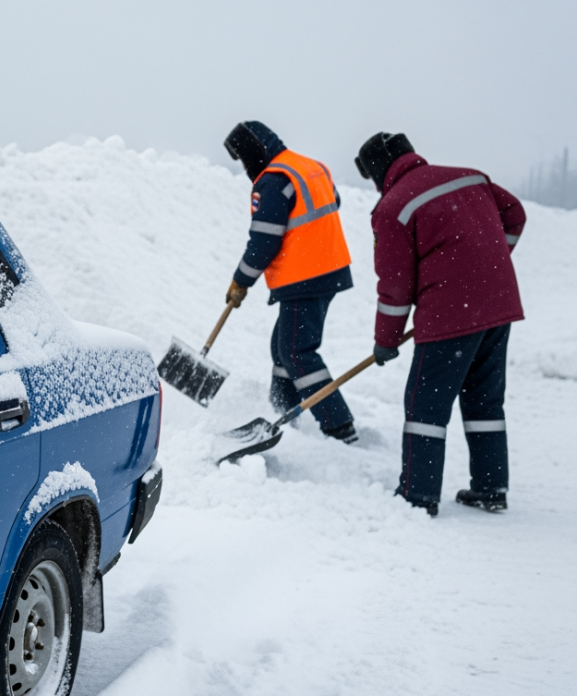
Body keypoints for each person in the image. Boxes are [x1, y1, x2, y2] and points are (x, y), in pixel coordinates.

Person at [356, 132, 525, 517]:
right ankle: (490, 487)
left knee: (425, 405)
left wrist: (387, 339)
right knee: (484, 400)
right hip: (498, 305)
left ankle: (419, 495)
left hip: (451, 315)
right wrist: (489, 262)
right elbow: (515, 214)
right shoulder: (470, 177)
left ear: (380, 169)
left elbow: (396, 286)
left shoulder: (393, 206)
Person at [223, 121, 357, 443]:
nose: (244, 167)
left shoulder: (274, 180)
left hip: (305, 275)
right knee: (283, 347)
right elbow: (333, 202)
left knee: (297, 352)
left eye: (243, 158)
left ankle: (339, 427)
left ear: (254, 149)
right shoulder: (309, 167)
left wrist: (241, 281)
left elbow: (264, 241)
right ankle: (282, 410)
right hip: (329, 268)